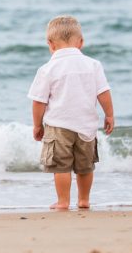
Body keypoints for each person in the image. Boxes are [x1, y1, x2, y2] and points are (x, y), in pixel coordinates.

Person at [26, 15, 114, 210]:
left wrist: (37, 125)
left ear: (50, 44)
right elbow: (104, 92)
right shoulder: (93, 65)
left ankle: (63, 201)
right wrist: (109, 115)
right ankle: (84, 200)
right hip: (87, 127)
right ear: (81, 42)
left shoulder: (47, 69)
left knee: (61, 166)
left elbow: (39, 102)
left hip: (58, 125)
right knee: (85, 166)